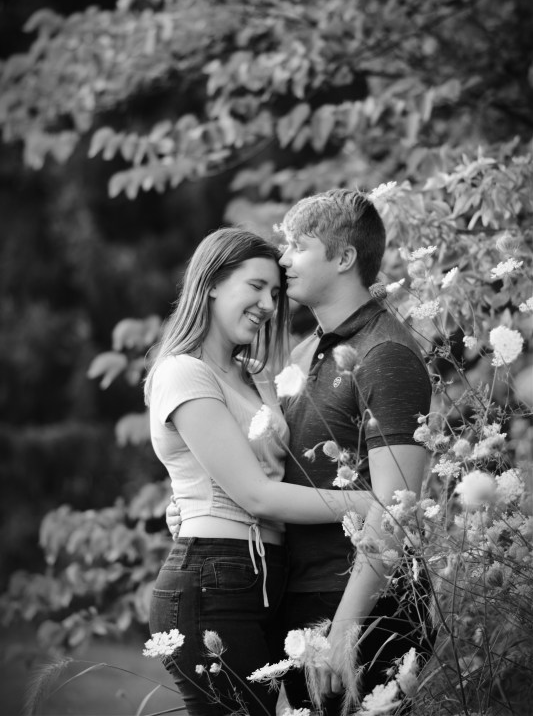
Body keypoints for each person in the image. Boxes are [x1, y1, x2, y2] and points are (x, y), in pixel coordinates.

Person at [167, 192, 434, 715]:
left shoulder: (386, 353)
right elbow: (274, 466)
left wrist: (345, 629)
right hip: (298, 596)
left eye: (298, 245)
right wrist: (198, 501)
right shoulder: (304, 352)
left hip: (365, 604)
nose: (283, 259)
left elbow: (395, 509)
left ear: (344, 257)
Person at [145, 227, 373, 716]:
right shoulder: (183, 372)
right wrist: (375, 504)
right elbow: (257, 495)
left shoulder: (257, 376)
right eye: (255, 287)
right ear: (211, 283)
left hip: (266, 579)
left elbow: (276, 470)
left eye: (274, 292)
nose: (268, 304)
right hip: (213, 580)